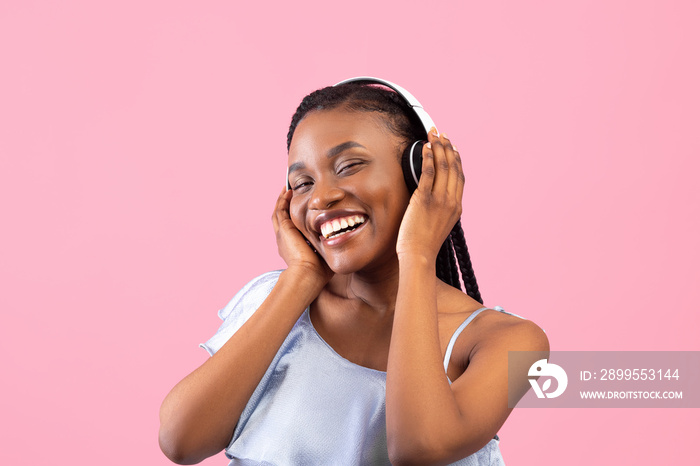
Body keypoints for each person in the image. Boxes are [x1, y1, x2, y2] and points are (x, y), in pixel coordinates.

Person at [159, 78, 549, 465]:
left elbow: (419, 447)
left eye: (349, 166)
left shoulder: (510, 342)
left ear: (420, 173)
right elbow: (180, 440)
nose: (321, 197)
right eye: (302, 183)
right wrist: (302, 278)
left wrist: (417, 253)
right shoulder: (276, 300)